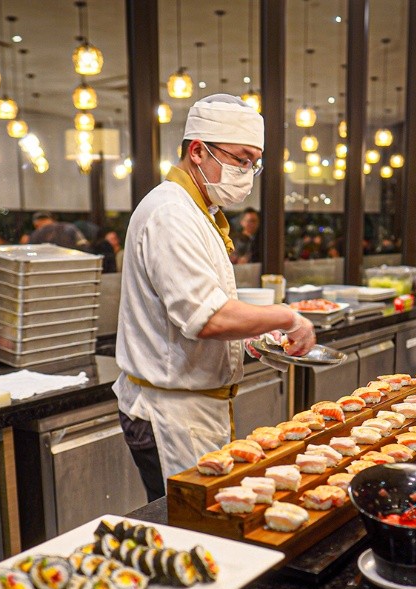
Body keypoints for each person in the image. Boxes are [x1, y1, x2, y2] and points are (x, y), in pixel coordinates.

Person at [113, 93, 316, 501]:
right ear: (198, 151)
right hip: (168, 414)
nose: (248, 172)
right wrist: (285, 316)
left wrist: (247, 341)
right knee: (190, 529)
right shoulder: (170, 214)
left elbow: (203, 306)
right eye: (241, 159)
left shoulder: (197, 210)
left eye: (253, 163)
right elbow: (207, 319)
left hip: (192, 406)